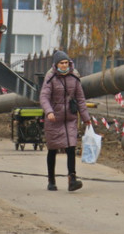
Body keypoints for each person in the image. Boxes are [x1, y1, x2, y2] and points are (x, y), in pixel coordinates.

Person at [39, 50, 91, 192]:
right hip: (54, 118)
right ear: (56, 64)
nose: (64, 65)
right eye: (61, 63)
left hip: (70, 118)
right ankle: (51, 180)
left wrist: (86, 118)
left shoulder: (74, 77)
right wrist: (49, 111)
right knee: (53, 149)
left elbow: (80, 99)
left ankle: (72, 179)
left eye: (66, 63)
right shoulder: (50, 78)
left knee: (71, 147)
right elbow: (44, 97)